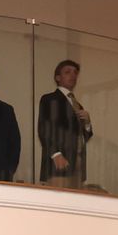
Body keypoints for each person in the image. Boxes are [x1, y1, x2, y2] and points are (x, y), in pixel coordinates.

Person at [37, 59, 91, 187]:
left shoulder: (77, 104)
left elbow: (85, 137)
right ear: (58, 77)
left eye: (75, 73)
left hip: (77, 164)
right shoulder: (50, 99)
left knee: (75, 204)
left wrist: (88, 124)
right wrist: (55, 154)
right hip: (58, 162)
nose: (73, 75)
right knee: (57, 202)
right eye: (67, 72)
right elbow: (44, 128)